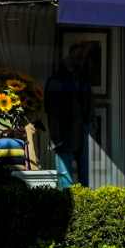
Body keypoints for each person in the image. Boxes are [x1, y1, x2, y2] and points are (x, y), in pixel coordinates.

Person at [44, 43, 89, 188]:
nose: (80, 61)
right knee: (65, 178)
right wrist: (55, 136)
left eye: (82, 58)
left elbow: (88, 106)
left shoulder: (82, 80)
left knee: (85, 176)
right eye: (77, 57)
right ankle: (67, 199)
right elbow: (52, 110)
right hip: (63, 134)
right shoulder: (57, 81)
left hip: (82, 133)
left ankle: (82, 198)